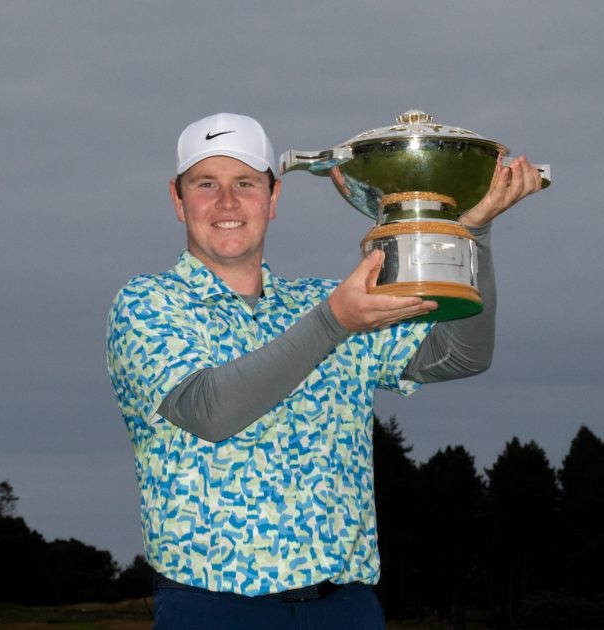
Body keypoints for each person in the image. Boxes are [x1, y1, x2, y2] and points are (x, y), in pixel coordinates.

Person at [106, 112, 542, 629]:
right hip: (211, 608)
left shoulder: (322, 301)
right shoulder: (147, 304)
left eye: (245, 183)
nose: (227, 202)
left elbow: (460, 355)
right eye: (206, 185)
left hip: (346, 608)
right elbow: (209, 408)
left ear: (273, 199)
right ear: (178, 201)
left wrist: (470, 235)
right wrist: (334, 321)